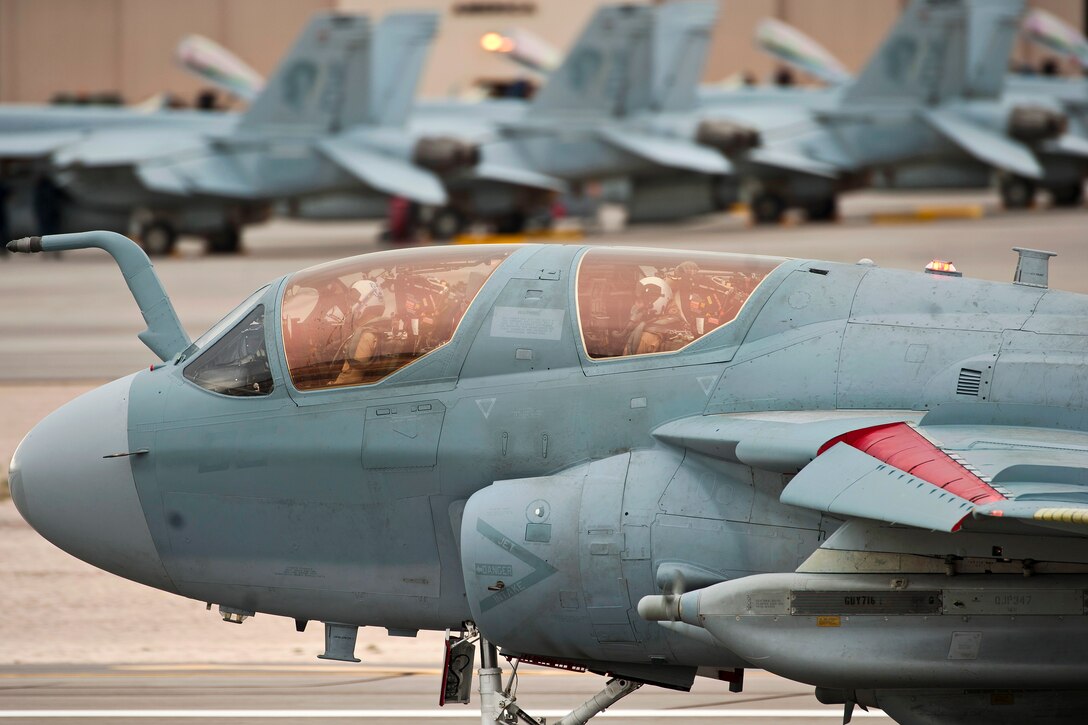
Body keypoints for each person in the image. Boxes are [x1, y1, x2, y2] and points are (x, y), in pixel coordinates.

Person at [333, 279, 388, 385]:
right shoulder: (383, 329)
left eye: (352, 301)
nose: (349, 306)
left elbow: (348, 381)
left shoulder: (364, 337)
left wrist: (328, 385)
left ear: (365, 303)